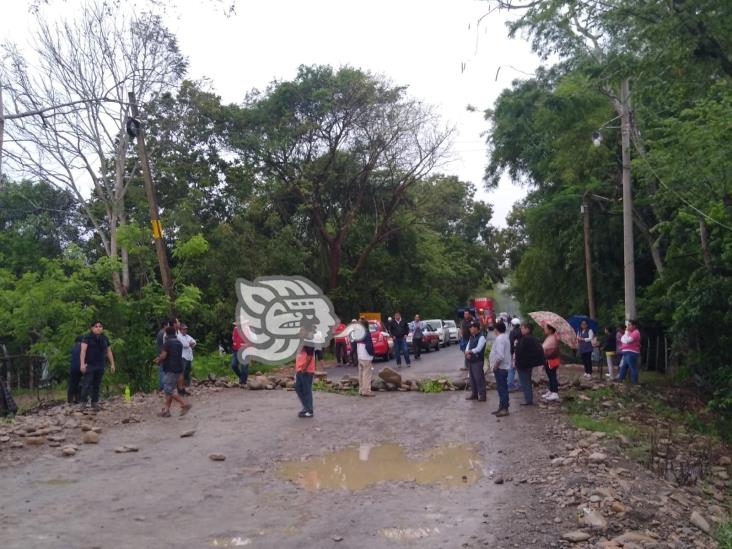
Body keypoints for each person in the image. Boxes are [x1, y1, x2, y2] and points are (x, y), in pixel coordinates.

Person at [154, 325, 192, 417]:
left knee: (168, 389)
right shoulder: (179, 343)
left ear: (166, 334)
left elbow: (163, 356)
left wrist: (158, 360)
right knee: (169, 390)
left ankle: (184, 404)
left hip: (170, 369)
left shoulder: (167, 343)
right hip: (178, 369)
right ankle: (166, 411)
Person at [79, 320, 116, 410]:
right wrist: (82, 364)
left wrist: (112, 364)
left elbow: (109, 351)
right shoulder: (87, 337)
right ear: (92, 328)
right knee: (87, 383)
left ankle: (94, 402)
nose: (98, 328)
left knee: (97, 384)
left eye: (100, 326)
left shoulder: (105, 338)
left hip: (100, 364)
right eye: (96, 326)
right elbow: (83, 351)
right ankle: (83, 402)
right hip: (90, 364)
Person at [514, 322, 545, 405]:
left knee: (525, 382)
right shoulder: (531, 338)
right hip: (527, 364)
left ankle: (528, 400)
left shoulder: (527, 339)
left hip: (523, 364)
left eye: (522, 328)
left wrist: (517, 362)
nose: (521, 330)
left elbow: (521, 352)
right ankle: (528, 399)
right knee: (526, 381)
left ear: (527, 329)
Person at [489, 321, 512, 416]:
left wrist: (495, 366)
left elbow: (500, 356)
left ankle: (504, 408)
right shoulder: (505, 337)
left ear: (496, 329)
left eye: (494, 328)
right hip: (503, 367)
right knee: (501, 388)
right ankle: (502, 406)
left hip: (501, 368)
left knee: (502, 389)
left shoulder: (500, 339)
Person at [295, 330, 317, 418]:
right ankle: (306, 407)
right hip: (299, 369)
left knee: (306, 390)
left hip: (306, 370)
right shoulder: (302, 341)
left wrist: (304, 367)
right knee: (298, 388)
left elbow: (310, 355)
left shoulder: (308, 341)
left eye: (302, 330)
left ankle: (309, 410)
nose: (300, 331)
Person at [464, 321, 487, 402]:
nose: (470, 329)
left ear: (477, 328)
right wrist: (467, 353)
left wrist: (470, 351)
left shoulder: (481, 337)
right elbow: (467, 346)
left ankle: (482, 395)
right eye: (470, 327)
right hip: (471, 360)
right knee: (472, 378)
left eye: (472, 327)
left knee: (479, 378)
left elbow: (479, 348)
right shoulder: (471, 337)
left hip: (478, 361)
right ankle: (474, 394)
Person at [356, 318, 376, 397]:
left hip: (359, 355)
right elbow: (368, 346)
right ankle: (366, 390)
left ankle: (361, 389)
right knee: (366, 374)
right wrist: (372, 354)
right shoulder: (367, 333)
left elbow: (354, 345)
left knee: (360, 373)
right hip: (366, 355)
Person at [618, 320, 641, 384]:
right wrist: (626, 333)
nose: (628, 326)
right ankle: (620, 381)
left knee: (633, 367)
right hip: (626, 352)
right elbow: (622, 339)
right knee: (623, 367)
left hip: (631, 352)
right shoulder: (628, 332)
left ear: (634, 326)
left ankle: (635, 383)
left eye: (629, 325)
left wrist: (625, 335)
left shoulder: (636, 332)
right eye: (628, 325)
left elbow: (627, 341)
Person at [541, 324, 561, 402]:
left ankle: (555, 392)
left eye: (546, 328)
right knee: (550, 375)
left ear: (550, 330)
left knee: (552, 375)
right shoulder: (550, 337)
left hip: (551, 360)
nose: (544, 329)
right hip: (549, 359)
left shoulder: (552, 338)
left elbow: (545, 348)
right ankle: (551, 390)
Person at [178, 324, 196, 393]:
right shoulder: (179, 336)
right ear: (180, 330)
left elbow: (194, 342)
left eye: (186, 329)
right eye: (184, 329)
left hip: (189, 357)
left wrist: (190, 343)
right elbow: (185, 344)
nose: (185, 330)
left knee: (187, 372)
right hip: (183, 356)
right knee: (182, 372)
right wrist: (190, 343)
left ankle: (185, 388)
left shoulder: (187, 336)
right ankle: (181, 388)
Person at [507, 317, 522, 392]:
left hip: (514, 353)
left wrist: (511, 352)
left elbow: (511, 343)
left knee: (512, 369)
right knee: (520, 370)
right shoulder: (522, 332)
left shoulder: (512, 332)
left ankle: (510, 385)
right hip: (521, 353)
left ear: (512, 325)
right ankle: (521, 385)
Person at [68, 335, 83, 404]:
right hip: (81, 366)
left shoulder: (73, 347)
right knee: (80, 382)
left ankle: (70, 400)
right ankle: (78, 399)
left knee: (73, 383)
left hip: (73, 367)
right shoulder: (83, 347)